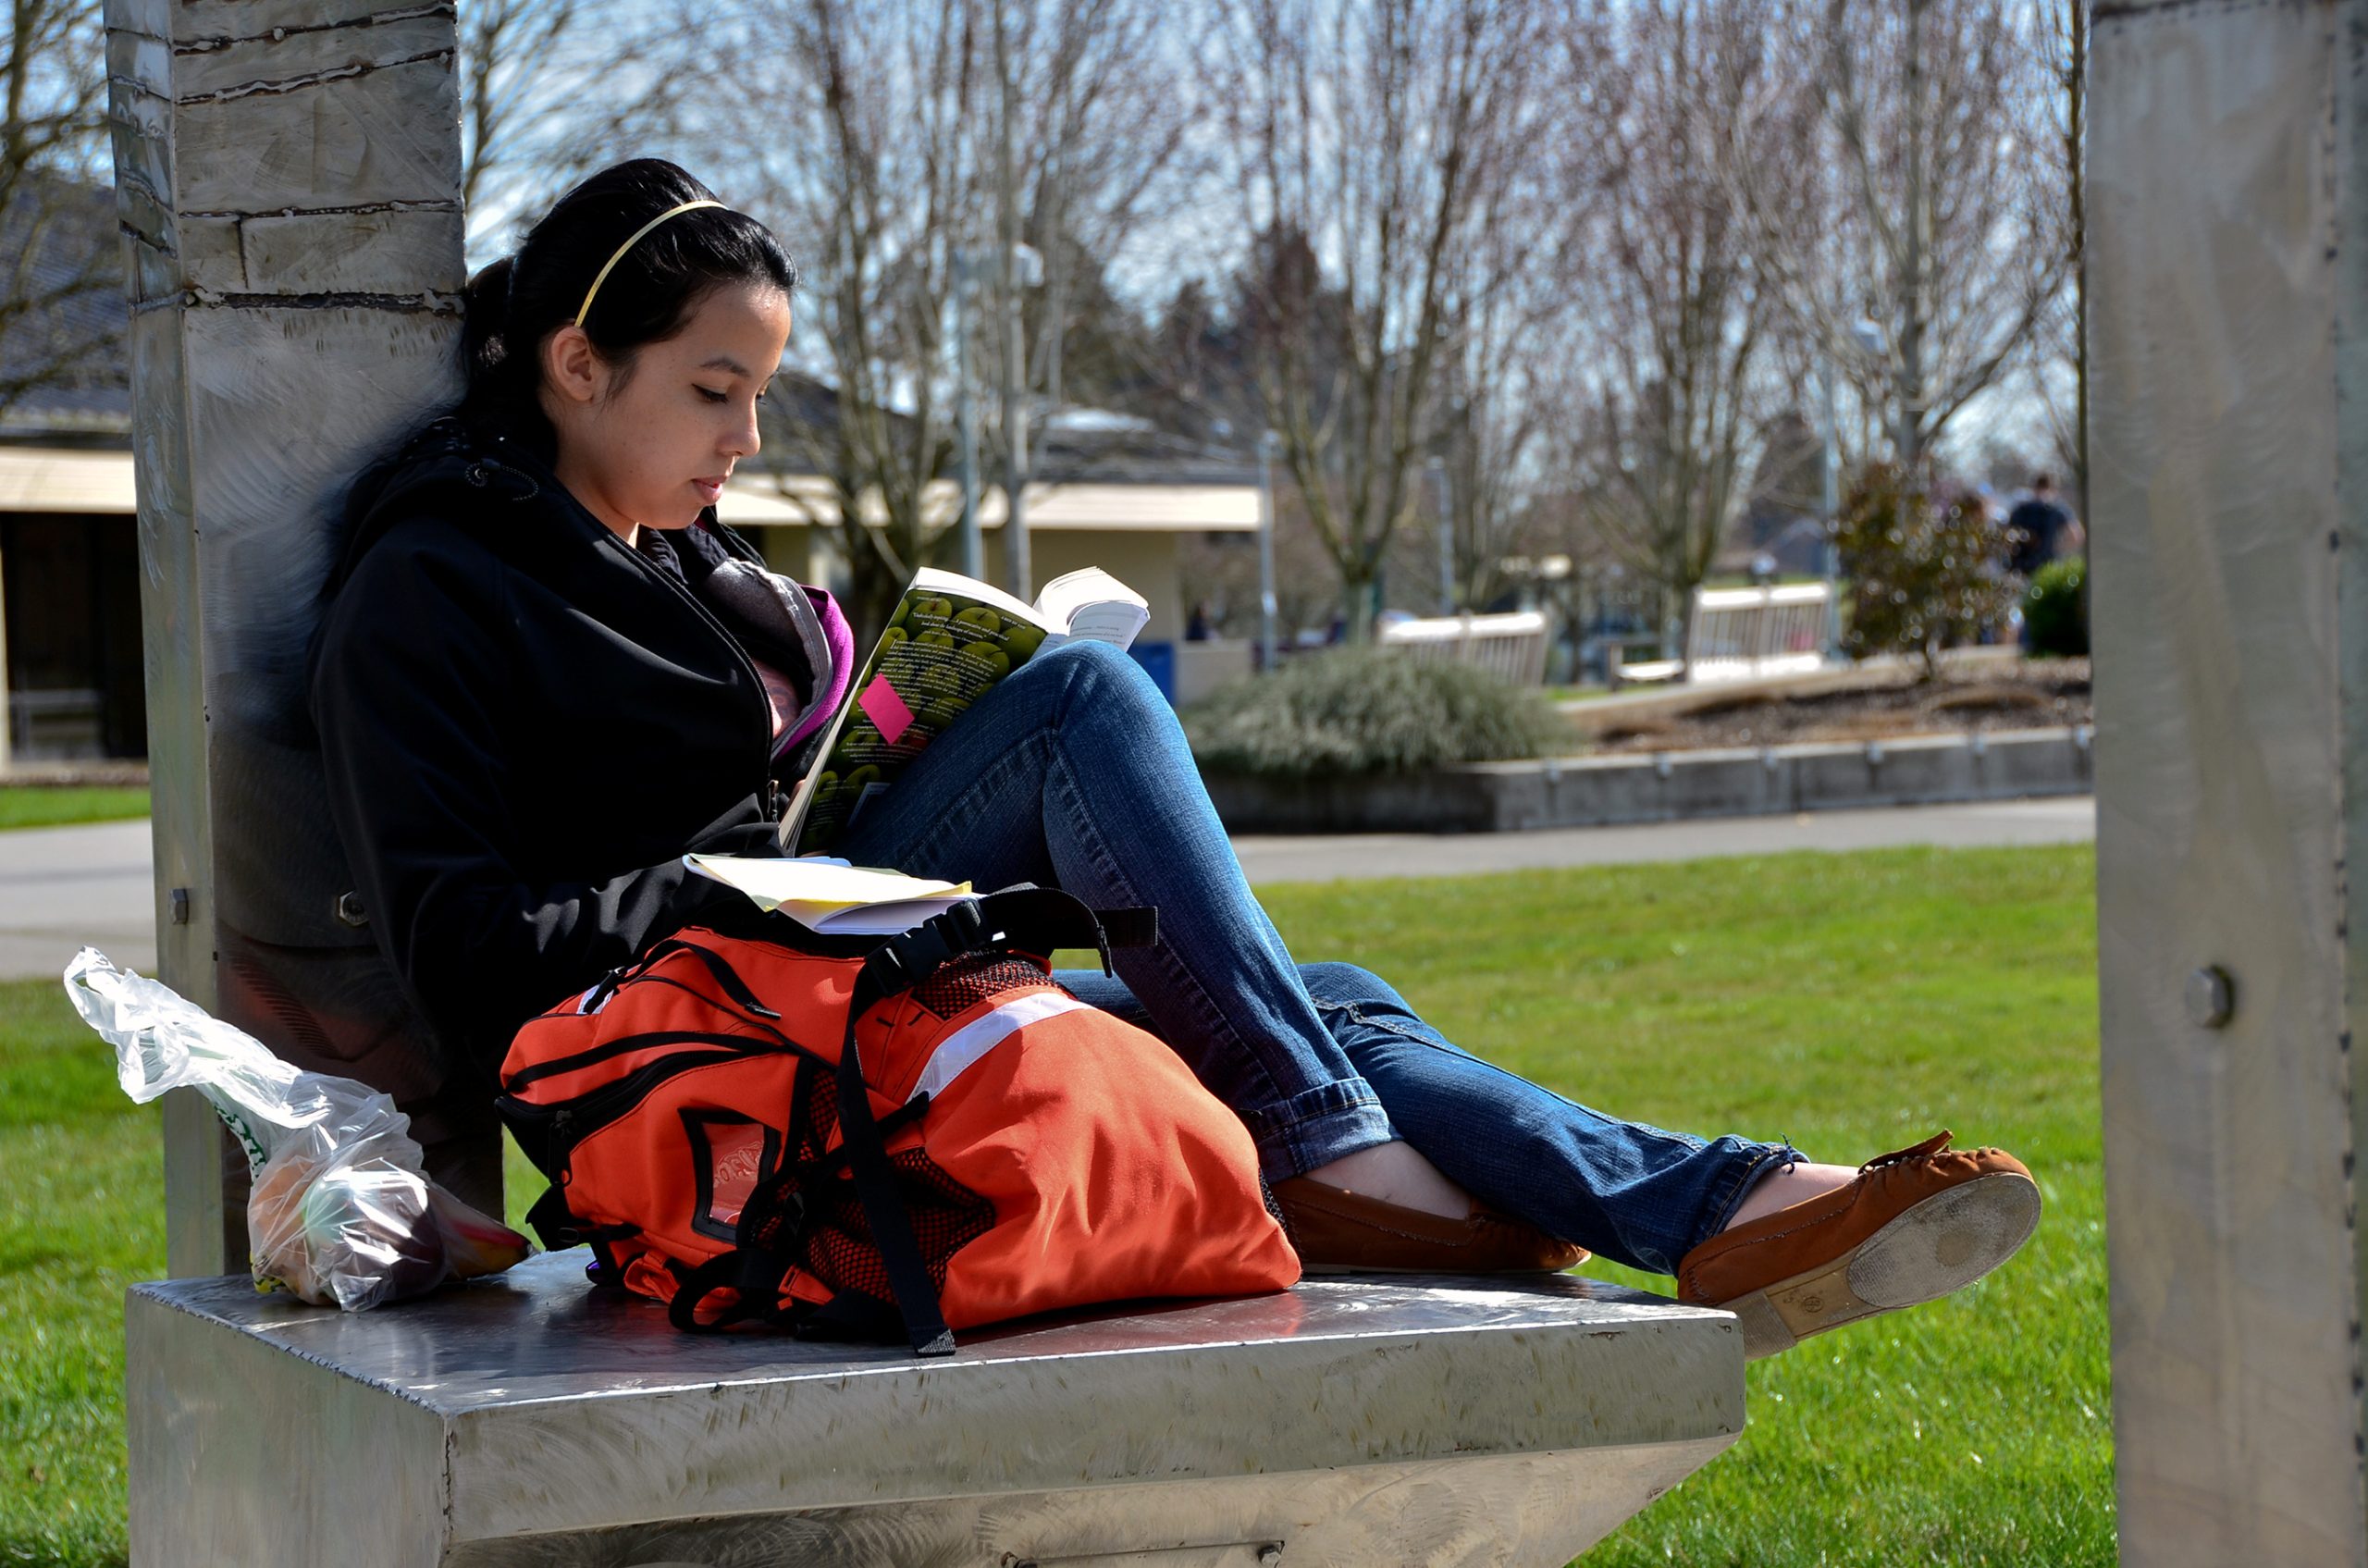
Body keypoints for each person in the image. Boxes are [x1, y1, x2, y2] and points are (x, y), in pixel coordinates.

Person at [310, 161, 2038, 1360]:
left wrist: (875, 811)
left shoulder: (681, 560)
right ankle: (1328, 1152)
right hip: (708, 1071)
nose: (749, 439)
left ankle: (1724, 1212)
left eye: (761, 390)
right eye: (712, 391)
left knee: (1327, 990)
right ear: (573, 363)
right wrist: (740, 887)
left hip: (829, 985)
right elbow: (468, 964)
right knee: (1084, 704)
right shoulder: (431, 590)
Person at [2005, 474, 2082, 579]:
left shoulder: (2020, 509)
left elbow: (2007, 535)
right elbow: (2076, 536)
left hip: (2020, 569)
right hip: (2048, 568)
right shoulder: (2058, 509)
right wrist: (2058, 549)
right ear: (2053, 488)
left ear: (2034, 487)